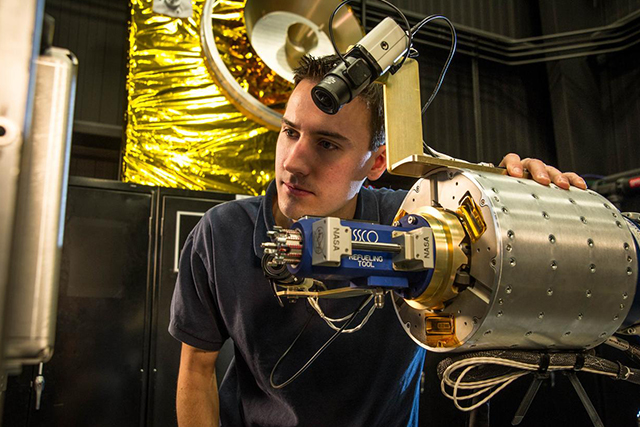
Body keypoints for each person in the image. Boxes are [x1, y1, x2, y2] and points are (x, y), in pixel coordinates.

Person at [169, 54, 587, 427]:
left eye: (327, 143)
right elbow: (195, 370)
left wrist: (532, 205)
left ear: (376, 162)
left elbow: (517, 262)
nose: (293, 162)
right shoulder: (220, 234)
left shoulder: (419, 220)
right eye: (290, 132)